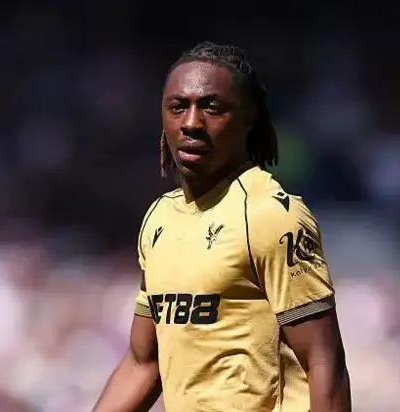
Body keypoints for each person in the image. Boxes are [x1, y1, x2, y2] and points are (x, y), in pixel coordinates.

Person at [93, 41, 351, 412]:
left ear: (248, 119)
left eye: (212, 107)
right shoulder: (160, 219)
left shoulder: (271, 216)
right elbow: (143, 362)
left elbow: (324, 362)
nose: (191, 123)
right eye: (178, 107)